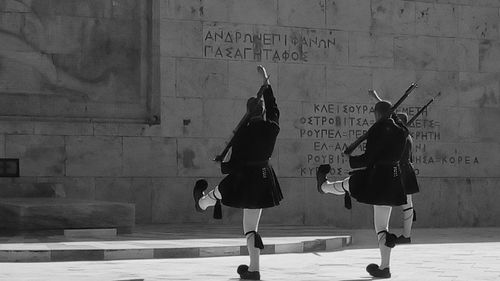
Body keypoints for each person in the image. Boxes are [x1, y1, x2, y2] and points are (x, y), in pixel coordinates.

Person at [193, 66, 282, 281]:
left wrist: (222, 164)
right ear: (261, 112)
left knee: (220, 192)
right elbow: (274, 109)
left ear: (247, 113)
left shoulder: (243, 134)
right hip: (264, 176)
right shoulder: (272, 128)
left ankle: (202, 203)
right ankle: (254, 269)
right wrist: (266, 84)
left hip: (245, 178)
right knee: (252, 228)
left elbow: (233, 165)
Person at [316, 101, 408, 279]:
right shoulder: (401, 131)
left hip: (377, 176)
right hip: (394, 177)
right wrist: (390, 115)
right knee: (382, 227)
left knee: (349, 184)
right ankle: (384, 267)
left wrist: (350, 159)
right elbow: (399, 124)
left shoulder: (377, 129)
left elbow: (368, 158)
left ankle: (324, 187)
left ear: (377, 114)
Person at [394, 112, 419, 244]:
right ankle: (406, 235)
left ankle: (406, 235)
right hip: (406, 170)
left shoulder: (402, 135)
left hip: (401, 171)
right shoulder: (407, 135)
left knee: (407, 205)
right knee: (408, 205)